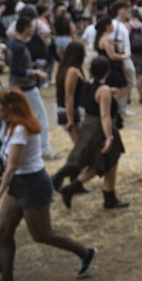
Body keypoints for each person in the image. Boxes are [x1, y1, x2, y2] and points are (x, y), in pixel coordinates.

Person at [0, 88, 96, 281]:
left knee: (42, 234)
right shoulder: (9, 127)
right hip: (19, 184)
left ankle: (86, 253)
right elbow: (9, 161)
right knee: (3, 232)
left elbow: (14, 166)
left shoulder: (20, 130)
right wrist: (0, 171)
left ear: (9, 108)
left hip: (33, 184)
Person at [58, 56, 129, 210]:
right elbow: (105, 115)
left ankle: (107, 196)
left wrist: (109, 91)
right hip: (100, 129)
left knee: (103, 163)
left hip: (89, 126)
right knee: (106, 162)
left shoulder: (89, 84)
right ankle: (105, 196)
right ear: (107, 71)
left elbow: (95, 96)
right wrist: (109, 137)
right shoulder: (103, 90)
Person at [7, 16, 60, 161]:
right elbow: (16, 69)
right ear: (25, 28)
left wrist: (32, 67)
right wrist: (35, 72)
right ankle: (44, 149)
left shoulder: (14, 44)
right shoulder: (19, 46)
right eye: (31, 26)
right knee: (40, 117)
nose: (33, 29)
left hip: (19, 87)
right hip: (26, 88)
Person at [50, 42, 88, 192]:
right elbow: (69, 96)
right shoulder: (72, 70)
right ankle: (59, 177)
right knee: (80, 152)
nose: (85, 55)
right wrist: (71, 118)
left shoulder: (64, 68)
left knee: (79, 151)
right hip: (72, 112)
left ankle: (74, 182)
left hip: (68, 111)